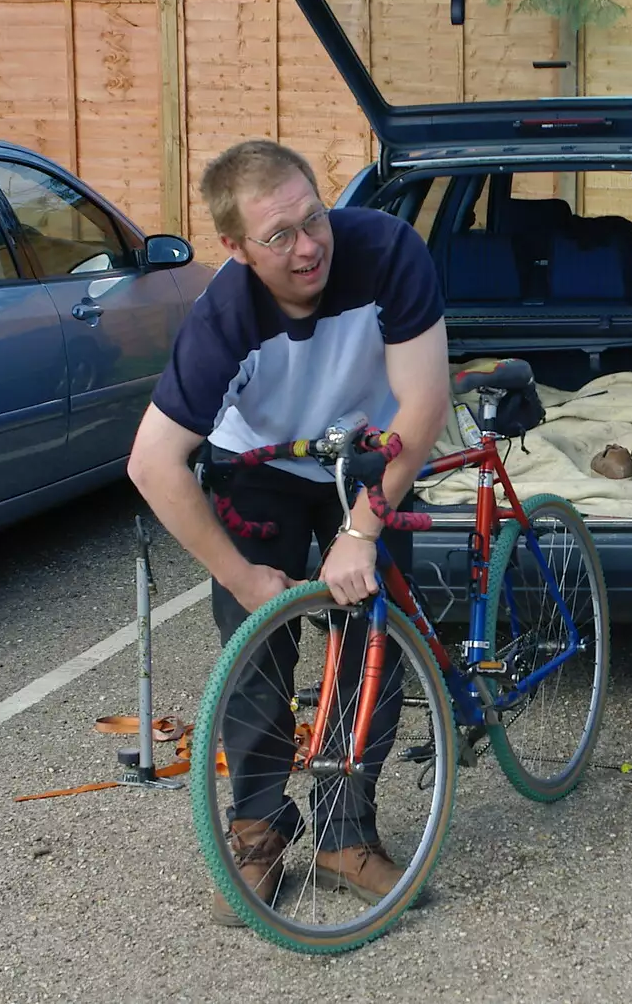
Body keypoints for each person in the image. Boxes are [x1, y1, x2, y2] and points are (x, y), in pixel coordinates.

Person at [127, 139, 450, 926]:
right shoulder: (225, 318)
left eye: (314, 218)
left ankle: (346, 834)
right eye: (278, 236)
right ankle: (261, 830)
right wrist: (244, 578)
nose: (308, 246)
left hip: (370, 454)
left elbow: (424, 402)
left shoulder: (387, 253)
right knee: (255, 650)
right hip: (259, 465)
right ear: (235, 249)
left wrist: (362, 530)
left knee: (373, 631)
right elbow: (153, 463)